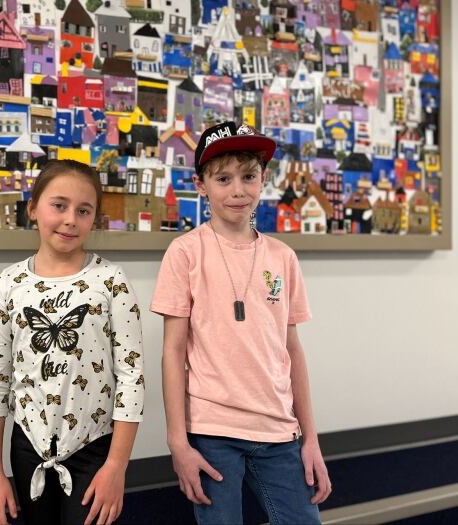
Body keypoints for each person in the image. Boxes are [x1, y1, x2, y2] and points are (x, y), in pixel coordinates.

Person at [151, 122, 331, 524]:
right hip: (212, 431)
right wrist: (178, 442)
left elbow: (292, 350)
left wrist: (311, 438)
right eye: (223, 179)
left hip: (279, 429)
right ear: (201, 185)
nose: (237, 190)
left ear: (263, 180)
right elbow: (172, 351)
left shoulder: (282, 258)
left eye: (248, 177)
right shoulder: (184, 253)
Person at [0, 160, 145, 525]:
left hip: (94, 449)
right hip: (28, 448)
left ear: (95, 219)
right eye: (59, 205)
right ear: (32, 208)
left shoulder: (111, 282)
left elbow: (131, 379)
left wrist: (116, 466)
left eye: (83, 210)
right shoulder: (7, 286)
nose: (71, 219)